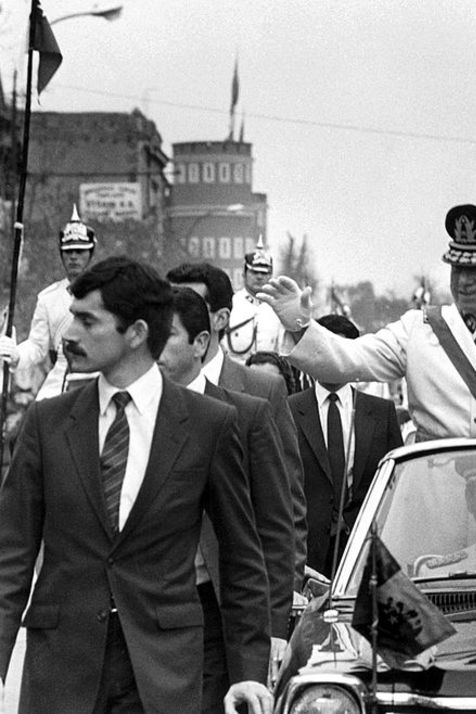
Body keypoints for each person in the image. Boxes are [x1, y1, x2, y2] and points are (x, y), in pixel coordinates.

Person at [0, 257, 272, 713]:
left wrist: (247, 672)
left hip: (163, 672)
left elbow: (243, 557)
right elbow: (10, 554)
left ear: (137, 332)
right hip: (61, 669)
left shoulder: (209, 425)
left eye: (88, 321)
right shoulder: (47, 422)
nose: (69, 335)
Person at [259, 204, 476, 545]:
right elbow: (348, 359)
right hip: (431, 518)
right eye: (457, 268)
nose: (463, 281)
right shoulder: (421, 329)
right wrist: (300, 324)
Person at [159, 286, 295, 712]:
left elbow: (274, 527)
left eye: (166, 337)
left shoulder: (245, 415)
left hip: (214, 609)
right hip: (146, 607)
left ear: (201, 343)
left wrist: (272, 626)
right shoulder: (133, 415)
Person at [167, 261, 307, 584]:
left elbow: (286, 509)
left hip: (234, 595)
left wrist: (282, 603)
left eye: (190, 304)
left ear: (220, 319)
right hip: (159, 604)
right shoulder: (147, 393)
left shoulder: (262, 392)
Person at [287, 314, 403, 573]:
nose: (332, 362)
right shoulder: (289, 410)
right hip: (306, 553)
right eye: (326, 352)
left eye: (340, 353)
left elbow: (395, 487)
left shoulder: (380, 412)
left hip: (366, 551)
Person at [0, 206, 99, 398]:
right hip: (61, 374)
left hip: (100, 373)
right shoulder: (49, 298)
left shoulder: (106, 292)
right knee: (41, 416)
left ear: (90, 253)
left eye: (80, 251)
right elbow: (37, 346)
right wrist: (16, 354)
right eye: (68, 252)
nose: (73, 257)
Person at [225, 237, 288, 364]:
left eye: (264, 273)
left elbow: (283, 352)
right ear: (244, 273)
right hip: (234, 374)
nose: (259, 277)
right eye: (254, 272)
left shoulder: (277, 309)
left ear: (270, 276)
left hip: (267, 377)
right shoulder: (231, 304)